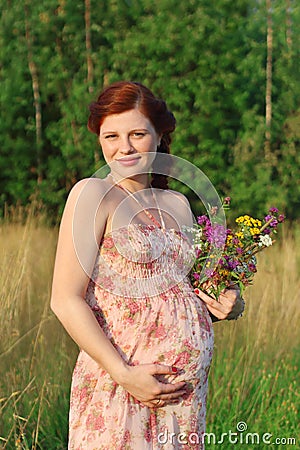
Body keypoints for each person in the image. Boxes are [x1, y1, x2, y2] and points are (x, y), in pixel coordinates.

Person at [50, 81, 244, 449]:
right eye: (111, 136)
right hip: (121, 385)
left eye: (137, 134)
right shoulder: (93, 194)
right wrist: (124, 374)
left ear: (159, 136)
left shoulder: (178, 204)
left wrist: (230, 304)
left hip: (183, 400)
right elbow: (64, 299)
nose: (123, 147)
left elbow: (183, 295)